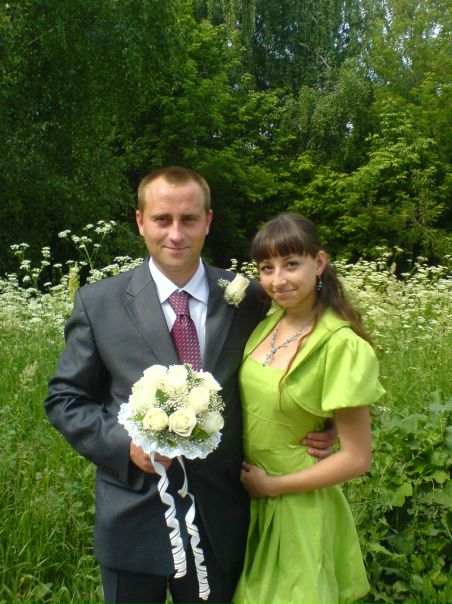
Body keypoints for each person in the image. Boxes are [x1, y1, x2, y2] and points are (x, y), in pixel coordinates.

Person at [44, 168, 335, 604]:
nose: (176, 234)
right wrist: (126, 446)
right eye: (162, 219)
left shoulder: (250, 298)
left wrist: (327, 420)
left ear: (208, 221)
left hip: (222, 516)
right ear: (140, 221)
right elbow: (65, 399)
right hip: (132, 516)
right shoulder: (98, 303)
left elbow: (301, 355)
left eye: (189, 219)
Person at [233, 213, 386, 604]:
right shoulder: (266, 325)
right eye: (266, 268)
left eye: (291, 264)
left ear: (319, 263)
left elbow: (357, 458)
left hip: (295, 502)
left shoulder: (342, 345)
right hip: (248, 502)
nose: (277, 280)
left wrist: (273, 486)